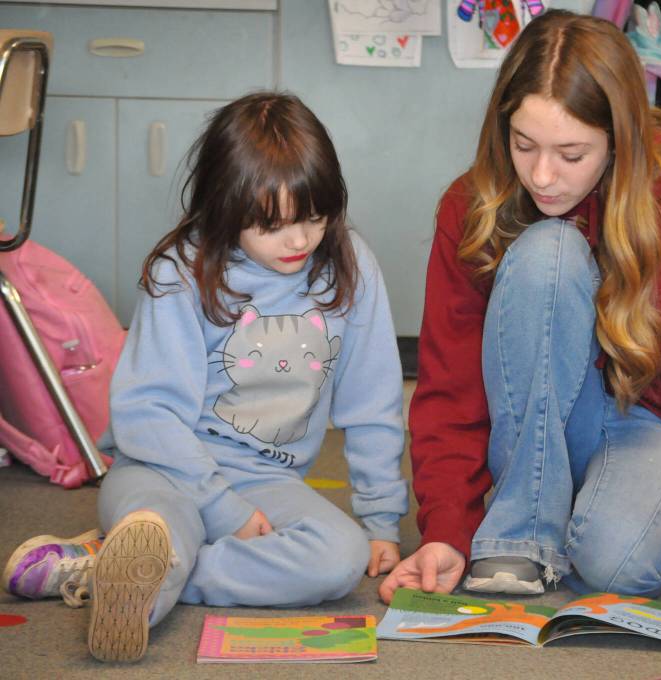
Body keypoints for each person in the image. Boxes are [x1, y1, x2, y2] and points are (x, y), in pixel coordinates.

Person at [379, 9, 661, 604]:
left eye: (571, 154)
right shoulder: (473, 204)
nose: (543, 176)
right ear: (502, 130)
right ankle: (522, 529)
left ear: (618, 139)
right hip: (538, 420)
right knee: (549, 249)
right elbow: (450, 386)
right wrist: (446, 532)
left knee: (618, 566)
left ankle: (581, 507)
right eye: (524, 145)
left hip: (656, 424)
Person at [2, 92, 408, 661]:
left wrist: (381, 519)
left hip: (268, 483)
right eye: (273, 224)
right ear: (224, 205)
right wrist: (222, 513)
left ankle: (113, 571)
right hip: (163, 471)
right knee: (161, 524)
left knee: (338, 558)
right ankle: (145, 563)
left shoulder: (351, 265)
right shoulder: (179, 272)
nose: (299, 241)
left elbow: (373, 400)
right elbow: (149, 415)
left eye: (314, 217)